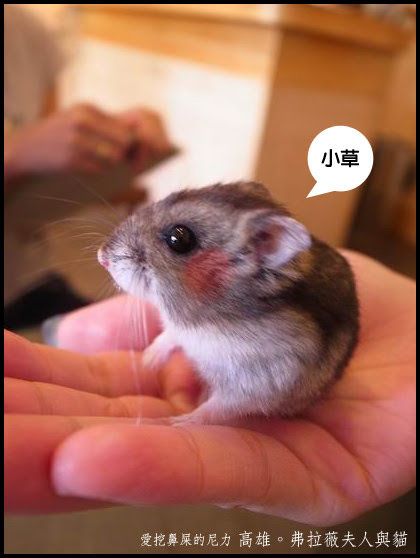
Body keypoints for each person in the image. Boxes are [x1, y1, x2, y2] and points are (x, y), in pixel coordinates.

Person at [4, 251, 416, 525]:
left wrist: (209, 412)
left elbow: (260, 386)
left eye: (177, 240)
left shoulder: (270, 336)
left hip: (287, 378)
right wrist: (170, 337)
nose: (104, 257)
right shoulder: (193, 299)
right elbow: (182, 316)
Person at [4, 4, 173, 329]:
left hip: (26, 280)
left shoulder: (28, 31)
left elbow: (38, 178)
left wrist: (108, 149)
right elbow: (23, 149)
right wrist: (14, 152)